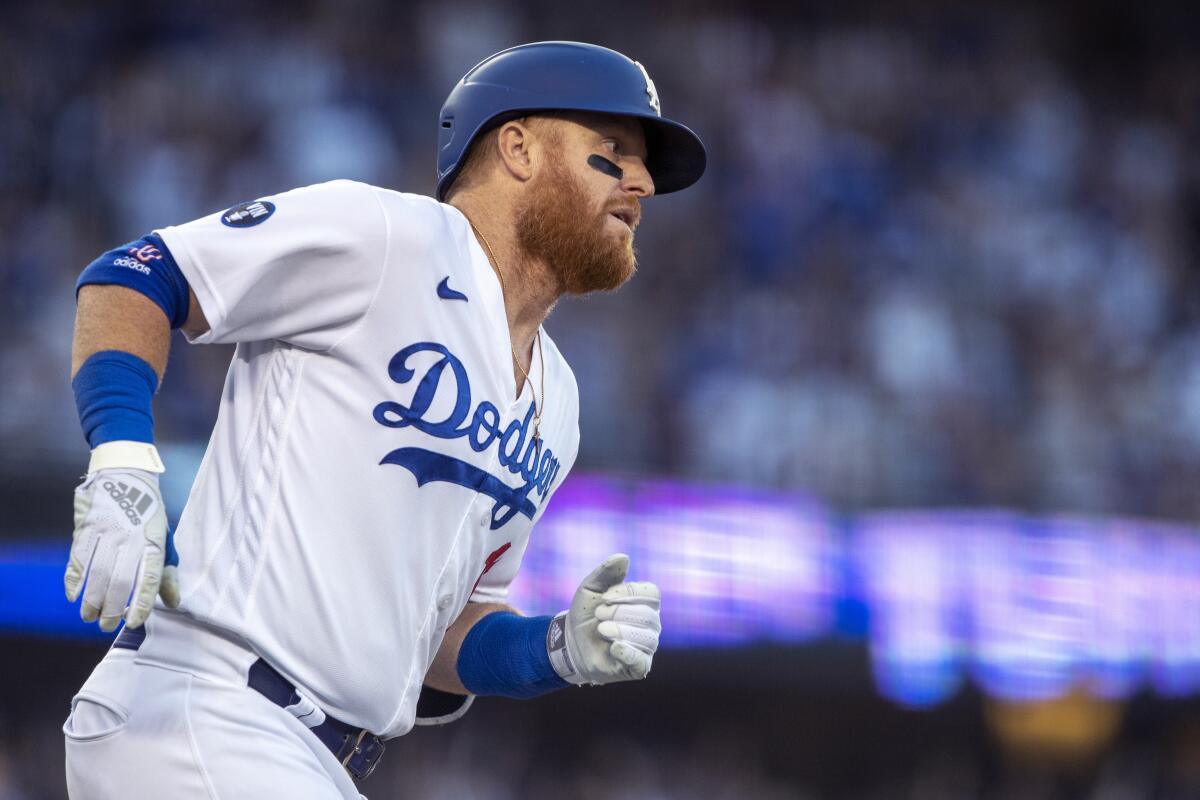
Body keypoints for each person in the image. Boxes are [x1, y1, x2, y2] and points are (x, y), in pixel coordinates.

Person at [60, 40, 706, 798]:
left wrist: (555, 649)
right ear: (519, 148)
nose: (642, 182)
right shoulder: (388, 236)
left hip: (307, 757)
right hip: (207, 708)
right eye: (612, 151)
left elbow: (445, 632)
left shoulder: (558, 402)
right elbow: (135, 276)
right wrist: (122, 456)